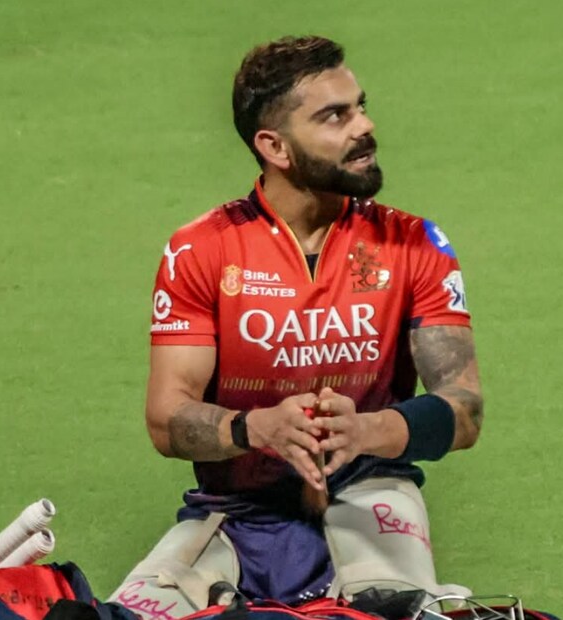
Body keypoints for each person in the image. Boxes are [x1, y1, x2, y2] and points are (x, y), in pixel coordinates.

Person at [110, 35, 483, 617]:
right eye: (336, 116)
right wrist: (255, 428)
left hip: (372, 495)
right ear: (274, 146)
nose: (365, 126)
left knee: (389, 609)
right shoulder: (202, 250)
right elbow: (166, 417)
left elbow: (464, 408)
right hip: (236, 514)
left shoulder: (415, 244)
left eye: (359, 106)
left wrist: (366, 430)